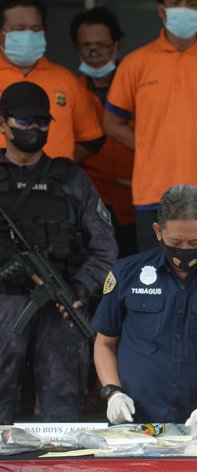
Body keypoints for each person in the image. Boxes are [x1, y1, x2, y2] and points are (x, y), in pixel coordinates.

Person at [92, 184, 197, 438]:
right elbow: (104, 343)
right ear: (158, 231)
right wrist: (113, 393)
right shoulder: (126, 273)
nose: (184, 249)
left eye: (194, 242)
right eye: (175, 241)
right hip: (135, 426)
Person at [0, 81, 117, 423]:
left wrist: (82, 287)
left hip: (60, 304)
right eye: (24, 121)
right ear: (3, 124)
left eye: (42, 121)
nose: (35, 128)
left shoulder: (71, 179)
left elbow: (104, 246)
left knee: (62, 403)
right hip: (4, 301)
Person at [103, 0, 197, 254]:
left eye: (192, 3)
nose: (184, 8)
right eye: (176, 2)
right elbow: (111, 123)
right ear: (161, 10)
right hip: (153, 196)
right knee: (155, 288)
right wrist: (148, 144)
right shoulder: (135, 63)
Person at [0, 0, 103, 162]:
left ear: (44, 33)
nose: (28, 35)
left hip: (54, 185)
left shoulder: (67, 80)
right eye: (18, 29)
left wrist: (57, 168)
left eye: (35, 29)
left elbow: (91, 139)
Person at [70, 6, 136, 258]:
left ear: (117, 47)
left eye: (102, 45)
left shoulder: (139, 87)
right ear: (77, 48)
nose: (94, 52)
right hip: (89, 202)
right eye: (87, 46)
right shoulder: (69, 90)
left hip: (135, 202)